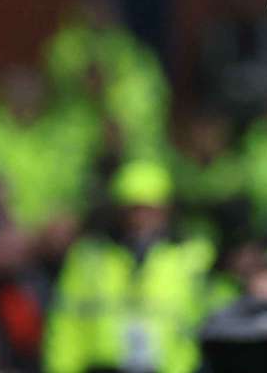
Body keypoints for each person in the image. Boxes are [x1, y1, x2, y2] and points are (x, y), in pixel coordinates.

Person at [43, 160, 215, 373]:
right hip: (100, 366)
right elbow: (66, 322)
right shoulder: (90, 255)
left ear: (166, 210)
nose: (141, 218)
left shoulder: (190, 257)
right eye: (134, 210)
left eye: (150, 209)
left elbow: (199, 324)